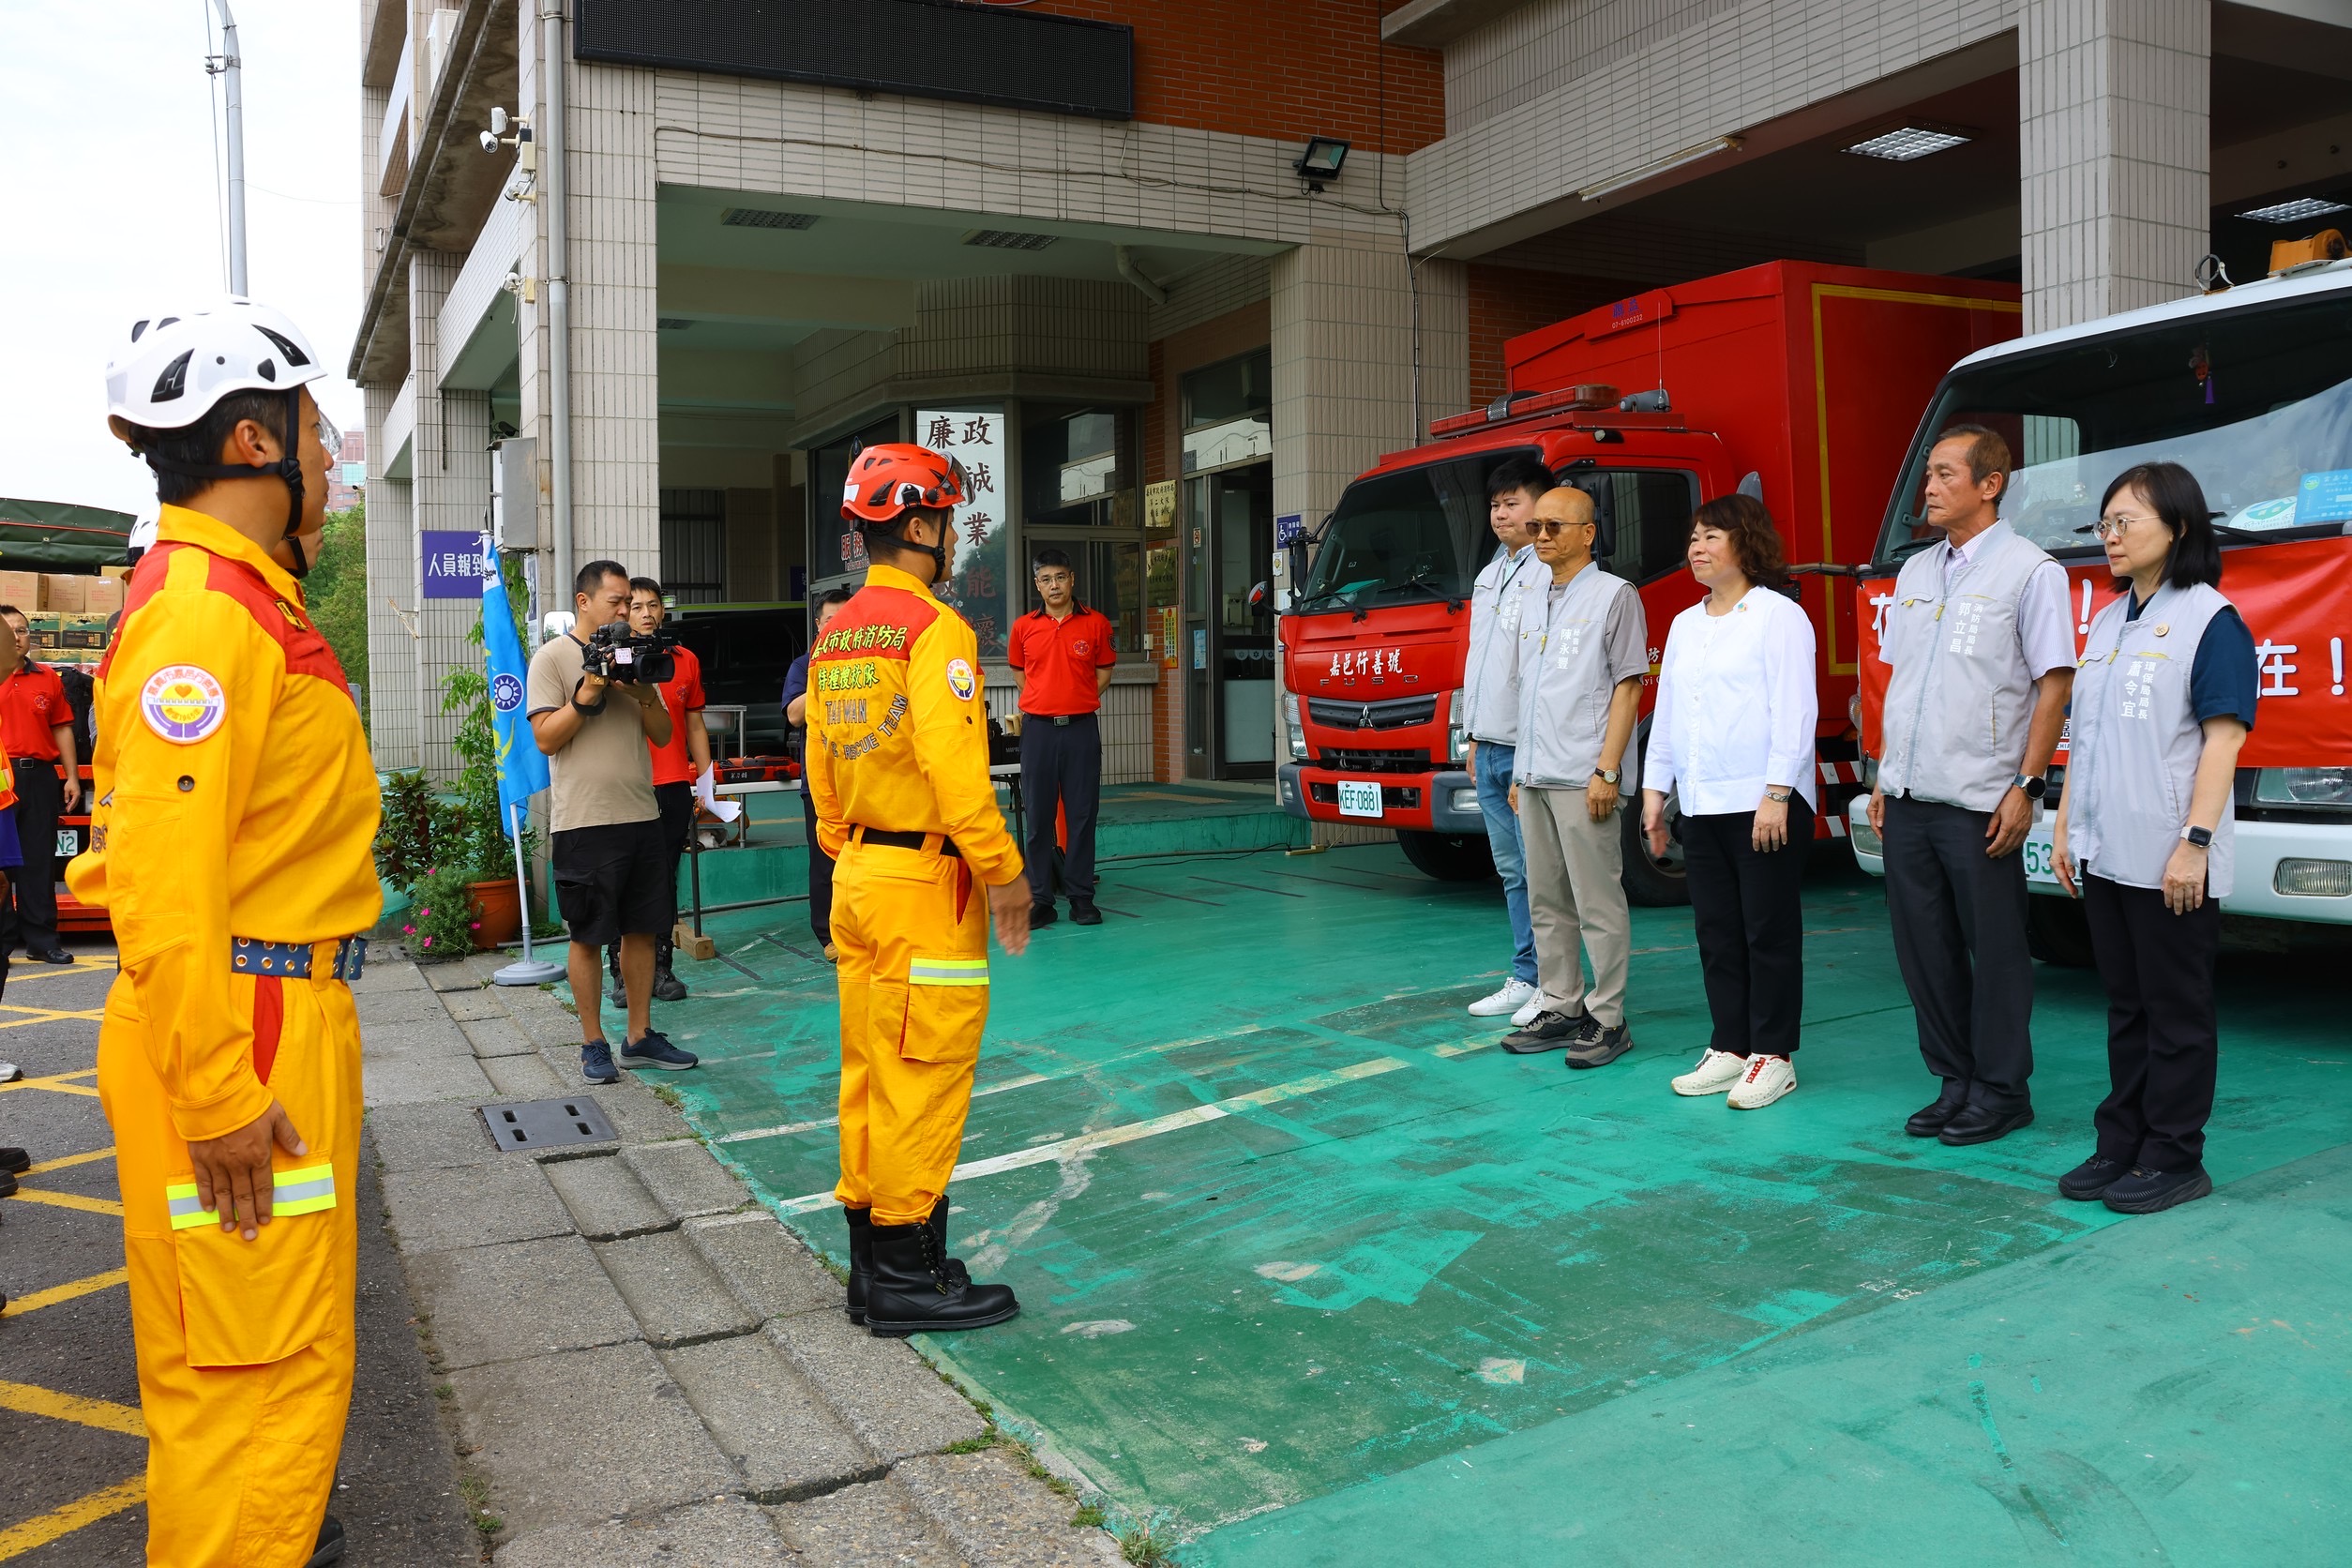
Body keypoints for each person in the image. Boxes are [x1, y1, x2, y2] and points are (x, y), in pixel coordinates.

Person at [79, 298, 374, 1566]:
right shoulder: (207, 613)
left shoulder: (239, 598)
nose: (330, 454)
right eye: (314, 427)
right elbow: (158, 875)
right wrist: (218, 1094)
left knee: (265, 1357)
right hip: (243, 1027)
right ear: (255, 441)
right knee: (254, 1380)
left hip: (262, 1012)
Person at [812, 441, 1031, 1335]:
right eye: (943, 519)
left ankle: (876, 1265)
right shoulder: (936, 630)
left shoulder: (838, 637)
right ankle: (907, 1271)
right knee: (923, 1074)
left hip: (856, 873)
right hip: (921, 883)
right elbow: (957, 771)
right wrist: (1004, 872)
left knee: (867, 1070)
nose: (949, 535)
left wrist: (851, 847)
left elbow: (824, 773)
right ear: (917, 525)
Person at [2052, 461, 2254, 1215]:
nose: (2109, 536)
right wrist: (2068, 824)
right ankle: (2122, 1142)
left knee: (2176, 1011)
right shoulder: (2106, 622)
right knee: (2126, 1006)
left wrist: (2195, 841)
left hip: (2172, 856)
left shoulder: (2211, 620)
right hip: (2108, 850)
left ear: (2178, 527)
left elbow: (2223, 741)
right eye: (2104, 523)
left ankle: (2174, 1155)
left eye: (2125, 522)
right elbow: (2086, 736)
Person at [1868, 425, 2074, 1146]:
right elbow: (1900, 683)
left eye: (1945, 474)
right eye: (1928, 474)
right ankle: (1954, 1079)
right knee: (1923, 948)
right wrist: (1882, 774)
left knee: (1997, 950)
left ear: (1990, 485)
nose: (1928, 487)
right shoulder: (1919, 572)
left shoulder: (2031, 571)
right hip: (1909, 796)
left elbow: (2053, 686)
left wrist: (2029, 784)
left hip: (1982, 799)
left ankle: (2001, 1089)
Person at [1643, 495, 1818, 1110]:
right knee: (1716, 930)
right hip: (1704, 802)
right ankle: (1731, 1046)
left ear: (1746, 542)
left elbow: (1796, 711)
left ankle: (1774, 1055)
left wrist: (1777, 791)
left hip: (1762, 802)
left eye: (1712, 535)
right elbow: (1667, 716)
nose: (1697, 547)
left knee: (1767, 931)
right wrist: (1654, 792)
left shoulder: (1777, 616)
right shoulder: (1685, 623)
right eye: (1693, 537)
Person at [527, 561, 700, 1084]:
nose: (627, 611)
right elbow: (545, 739)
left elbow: (665, 734)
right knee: (587, 934)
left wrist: (643, 693)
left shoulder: (636, 659)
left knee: (642, 931)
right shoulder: (553, 659)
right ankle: (593, 1043)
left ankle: (640, 1036)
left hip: (641, 814)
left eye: (630, 602)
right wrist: (589, 692)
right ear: (584, 602)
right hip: (584, 821)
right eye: (616, 602)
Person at [1500, 486, 1648, 1066]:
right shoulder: (1534, 595)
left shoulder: (1614, 596)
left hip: (1584, 773)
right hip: (1536, 773)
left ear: (1588, 533)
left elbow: (1629, 684)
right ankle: (1562, 1005)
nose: (1540, 537)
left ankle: (1608, 1018)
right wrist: (1519, 769)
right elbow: (1526, 692)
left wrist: (1607, 769)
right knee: (1547, 899)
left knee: (1597, 902)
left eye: (1553, 527)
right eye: (1536, 527)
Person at [1462, 457, 1549, 1026]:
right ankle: (1526, 974)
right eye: (1495, 504)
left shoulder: (1546, 572)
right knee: (1513, 870)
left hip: (1526, 748)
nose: (1500, 514)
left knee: (1543, 871)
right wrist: (1471, 737)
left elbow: (1541, 671)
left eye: (1511, 502)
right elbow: (1478, 663)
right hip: (1488, 745)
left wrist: (1529, 756)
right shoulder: (1489, 574)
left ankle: (1553, 980)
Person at [605, 577, 707, 1006]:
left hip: (672, 788)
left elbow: (696, 723)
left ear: (663, 611)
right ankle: (621, 976)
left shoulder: (684, 660)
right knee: (620, 881)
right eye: (637, 605)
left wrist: (705, 778)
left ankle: (661, 969)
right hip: (626, 787)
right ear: (625, 612)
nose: (646, 613)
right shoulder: (612, 662)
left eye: (653, 605)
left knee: (663, 883)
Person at [1006, 548, 1117, 927]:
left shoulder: (1096, 623)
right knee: (1038, 817)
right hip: (1038, 731)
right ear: (1037, 584)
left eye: (1061, 577)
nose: (1054, 585)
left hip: (1081, 730)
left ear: (1073, 580)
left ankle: (1081, 898)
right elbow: (1021, 675)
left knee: (1083, 815)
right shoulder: (1023, 627)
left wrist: (1077, 698)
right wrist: (1044, 701)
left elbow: (1104, 672)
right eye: (1046, 579)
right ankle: (1040, 900)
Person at [0, 603, 82, 964]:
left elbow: (61, 726)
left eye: (22, 630)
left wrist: (72, 777)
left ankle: (41, 939)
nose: (16, 637)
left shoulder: (48, 677)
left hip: (38, 776)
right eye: (8, 630)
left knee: (38, 860)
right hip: (1, 778)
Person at [784, 588, 855, 959]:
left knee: (865, 857)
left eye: (846, 619)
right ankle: (827, 935)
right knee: (826, 859)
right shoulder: (803, 665)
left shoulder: (867, 662)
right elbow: (795, 714)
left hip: (862, 777)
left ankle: (863, 930)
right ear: (818, 624)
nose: (839, 626)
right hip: (822, 782)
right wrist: (829, 676)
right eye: (831, 620)